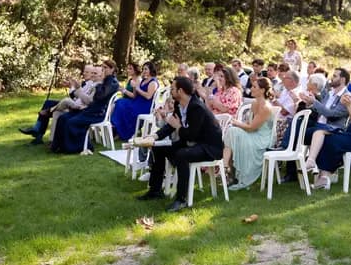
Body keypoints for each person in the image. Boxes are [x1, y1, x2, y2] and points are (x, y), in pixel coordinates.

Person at [137, 77, 224, 212]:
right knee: (158, 148)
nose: (170, 91)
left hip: (209, 147)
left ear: (181, 91)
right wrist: (154, 136)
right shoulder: (179, 104)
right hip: (192, 143)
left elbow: (191, 134)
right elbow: (171, 126)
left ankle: (181, 200)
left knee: (181, 155)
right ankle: (155, 191)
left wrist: (178, 126)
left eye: (172, 89)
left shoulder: (197, 107)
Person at [49, 60, 118, 153]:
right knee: (63, 117)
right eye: (103, 68)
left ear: (112, 69)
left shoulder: (112, 82)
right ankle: (57, 145)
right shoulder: (104, 81)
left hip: (97, 113)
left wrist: (98, 85)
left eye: (105, 68)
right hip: (89, 110)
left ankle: (72, 148)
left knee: (71, 122)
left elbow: (100, 96)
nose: (103, 70)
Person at [20, 64, 99, 145]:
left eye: (88, 72)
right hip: (74, 103)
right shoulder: (86, 83)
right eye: (85, 71)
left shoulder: (92, 85)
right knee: (49, 103)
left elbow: (78, 97)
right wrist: (71, 86)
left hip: (77, 107)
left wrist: (72, 87)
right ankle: (39, 132)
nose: (84, 73)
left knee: (50, 104)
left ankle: (38, 130)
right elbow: (75, 96)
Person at [223, 77, 277, 190]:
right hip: (253, 133)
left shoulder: (266, 107)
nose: (251, 89)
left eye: (254, 87)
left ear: (262, 90)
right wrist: (237, 124)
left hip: (262, 138)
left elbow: (251, 128)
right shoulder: (254, 103)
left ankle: (226, 168)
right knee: (232, 131)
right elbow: (249, 123)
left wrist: (237, 123)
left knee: (232, 130)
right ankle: (226, 167)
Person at [112, 61, 160, 141]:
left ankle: (124, 132)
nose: (144, 71)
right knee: (120, 102)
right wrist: (134, 88)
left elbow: (148, 96)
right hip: (136, 101)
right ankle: (117, 129)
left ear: (151, 70)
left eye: (146, 69)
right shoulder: (143, 80)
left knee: (123, 106)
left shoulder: (153, 82)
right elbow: (134, 95)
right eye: (143, 69)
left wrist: (137, 88)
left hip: (144, 105)